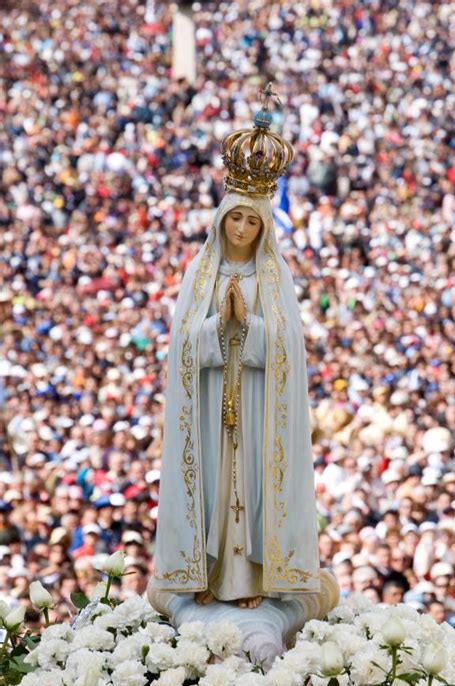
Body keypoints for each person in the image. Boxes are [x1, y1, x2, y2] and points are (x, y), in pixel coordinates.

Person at [151, 86, 320, 609]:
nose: (243, 228)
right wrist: (213, 328)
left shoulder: (274, 276)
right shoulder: (201, 274)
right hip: (207, 397)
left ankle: (249, 579)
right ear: (221, 219)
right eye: (236, 218)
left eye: (253, 220)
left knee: (249, 484)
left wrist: (249, 326)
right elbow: (181, 346)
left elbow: (290, 346)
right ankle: (206, 570)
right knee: (211, 481)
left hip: (255, 398)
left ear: (263, 226)